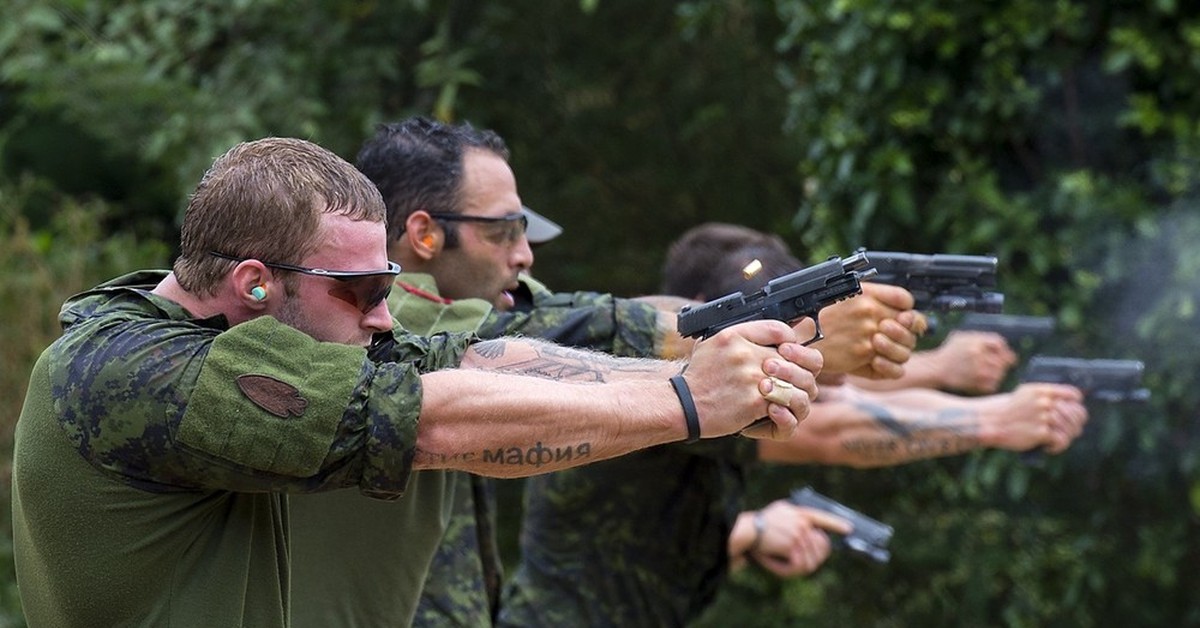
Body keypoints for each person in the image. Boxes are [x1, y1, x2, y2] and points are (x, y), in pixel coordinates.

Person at [9, 138, 827, 628]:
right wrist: (685, 403)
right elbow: (428, 421)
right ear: (256, 282)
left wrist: (685, 370)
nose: (385, 317)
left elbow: (469, 361)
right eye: (362, 292)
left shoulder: (240, 336)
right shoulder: (129, 372)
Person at [285, 117, 925, 628]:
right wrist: (756, 323)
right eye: (504, 230)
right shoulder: (374, 328)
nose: (525, 252)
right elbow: (540, 336)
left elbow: (566, 320)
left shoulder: (450, 316)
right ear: (424, 235)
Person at [497, 223, 1090, 628]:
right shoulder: (675, 374)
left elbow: (834, 392)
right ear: (707, 309)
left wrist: (750, 534)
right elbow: (829, 428)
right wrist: (994, 419)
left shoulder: (669, 375)